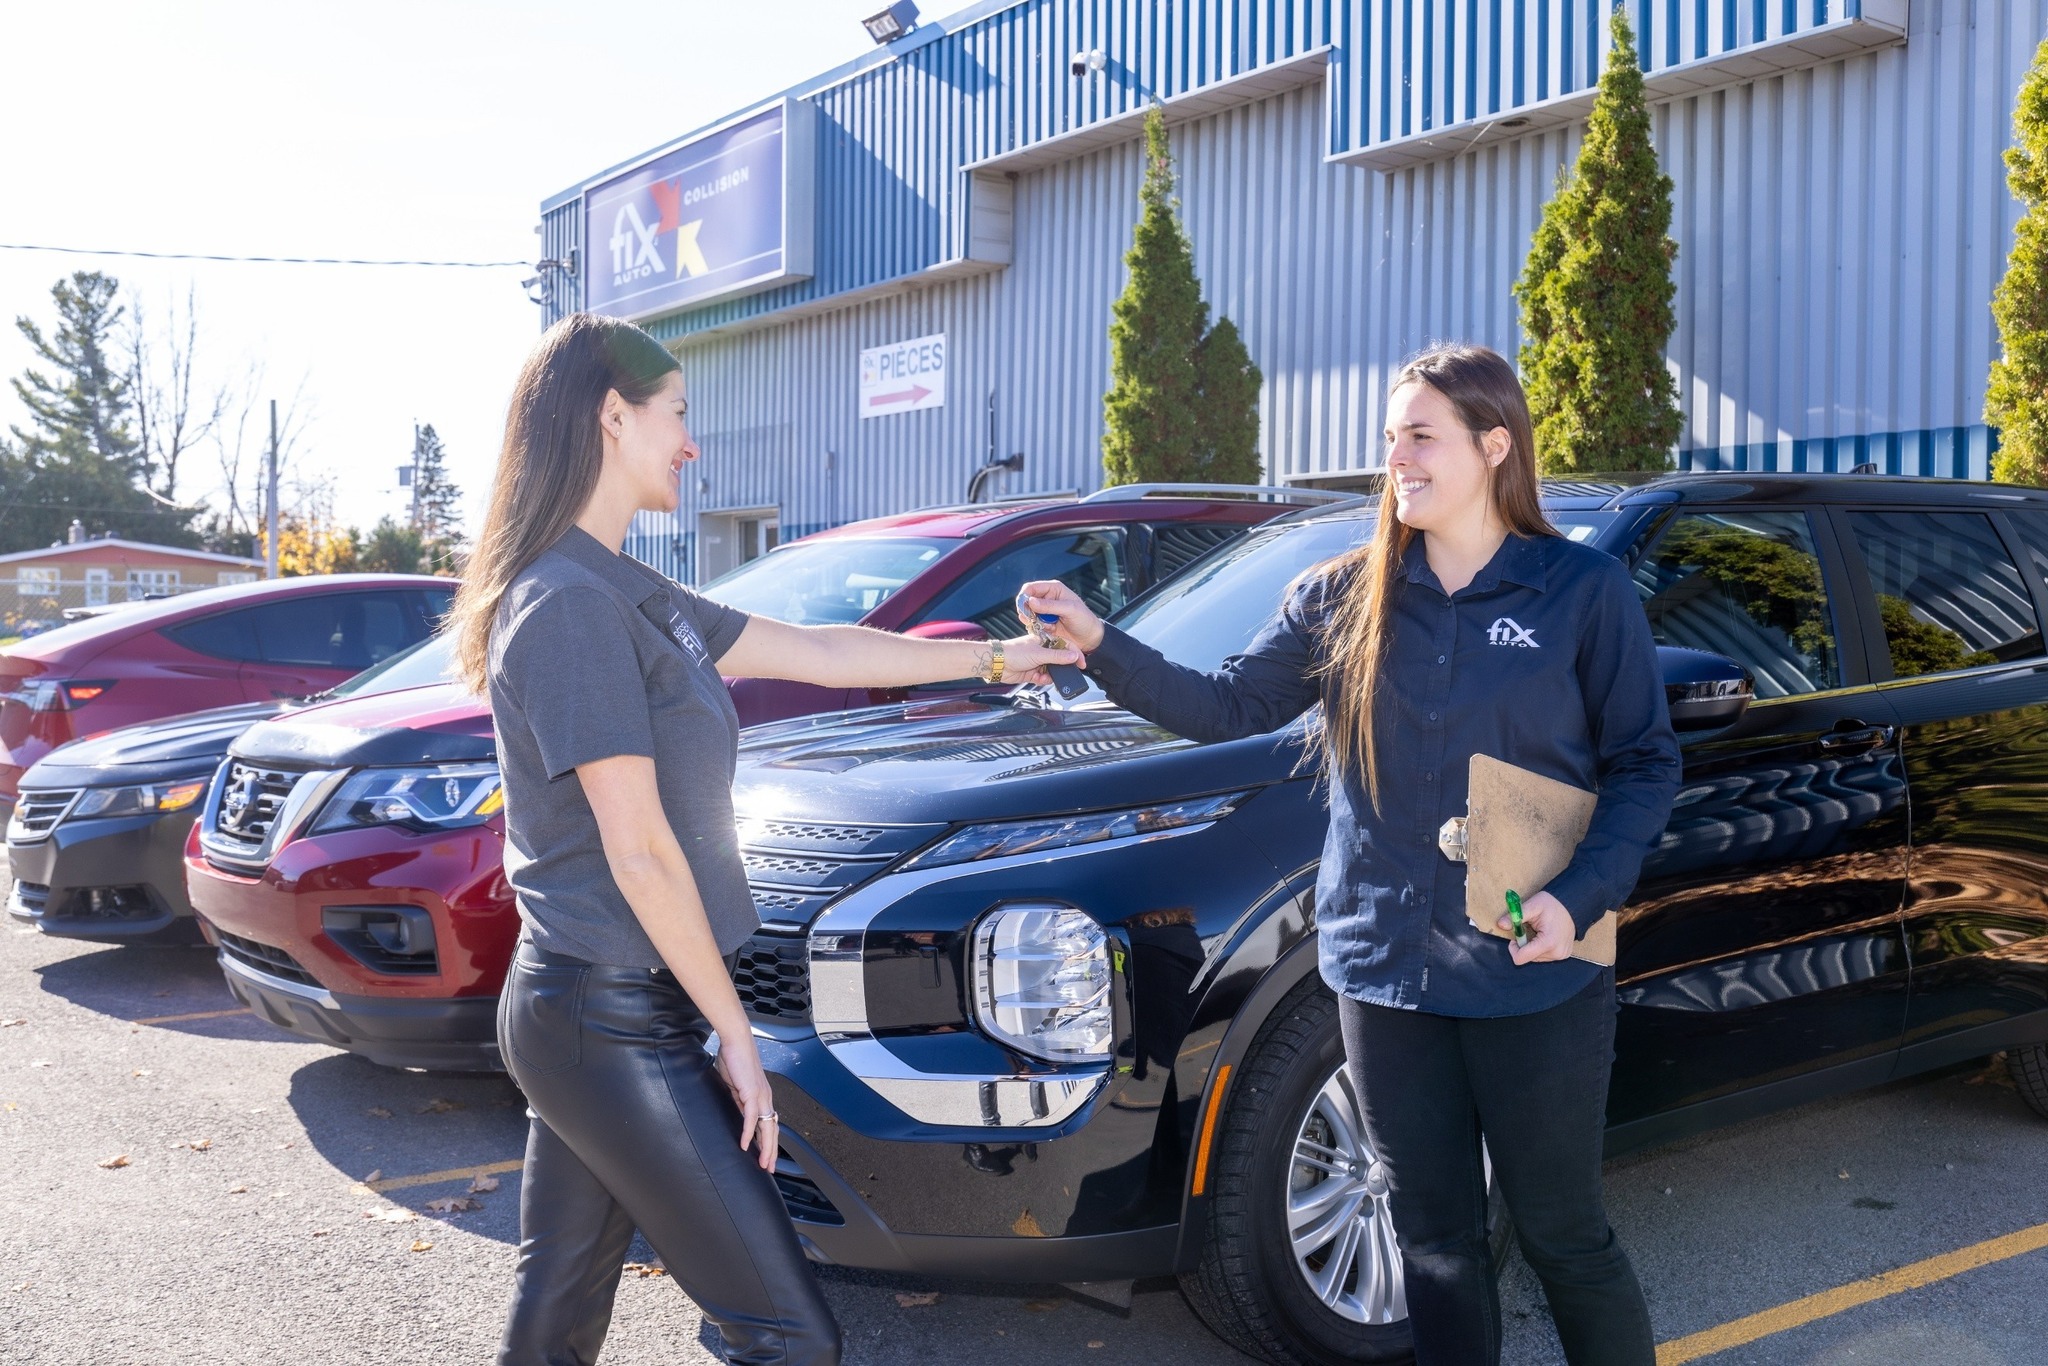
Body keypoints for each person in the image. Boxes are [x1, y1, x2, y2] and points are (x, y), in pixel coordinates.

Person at [1021, 343, 1681, 1366]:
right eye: (1389, 438)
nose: (1396, 458)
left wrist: (1579, 894)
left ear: (1492, 443)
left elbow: (1643, 764)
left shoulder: (1578, 591)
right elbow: (1226, 704)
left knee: (1562, 1236)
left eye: (1419, 435)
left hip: (1533, 966)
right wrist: (1100, 642)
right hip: (1384, 973)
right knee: (1435, 1243)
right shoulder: (1340, 596)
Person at [449, 312, 1080, 1366]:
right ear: (612, 417)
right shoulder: (564, 603)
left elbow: (822, 648)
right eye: (677, 414)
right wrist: (734, 1032)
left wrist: (992, 662)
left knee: (556, 1310)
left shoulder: (622, 586)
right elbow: (638, 849)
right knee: (786, 1336)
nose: (691, 443)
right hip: (604, 1017)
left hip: (595, 1010)